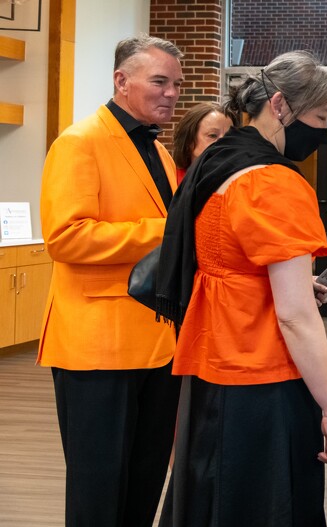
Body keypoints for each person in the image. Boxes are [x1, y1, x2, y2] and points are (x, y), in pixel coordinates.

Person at [156, 50, 327, 527]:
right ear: (279, 105)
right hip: (261, 368)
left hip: (211, 356)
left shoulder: (217, 159)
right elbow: (294, 316)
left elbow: (229, 259)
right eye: (320, 118)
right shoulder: (274, 182)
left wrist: (295, 282)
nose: (322, 131)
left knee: (211, 494)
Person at [38, 35, 183, 526]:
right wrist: (166, 230)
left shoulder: (159, 151)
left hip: (157, 342)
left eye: (176, 84)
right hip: (97, 348)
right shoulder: (78, 142)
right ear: (122, 80)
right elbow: (66, 238)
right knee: (98, 496)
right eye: (159, 81)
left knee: (143, 487)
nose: (171, 93)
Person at [172, 102, 235, 184]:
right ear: (189, 141)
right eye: (213, 135)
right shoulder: (170, 182)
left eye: (229, 136)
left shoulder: (242, 182)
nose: (223, 143)